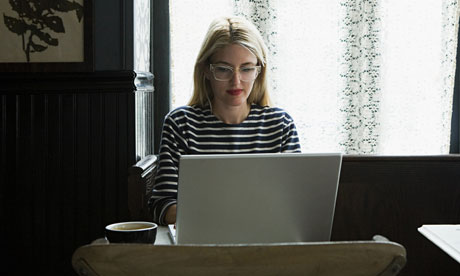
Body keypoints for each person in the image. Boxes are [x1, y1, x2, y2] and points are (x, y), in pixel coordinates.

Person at [150, 16, 301, 226]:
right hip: (203, 242)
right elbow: (163, 206)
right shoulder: (181, 124)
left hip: (265, 239)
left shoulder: (280, 125)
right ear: (206, 71)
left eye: (247, 69)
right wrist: (230, 217)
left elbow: (295, 205)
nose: (236, 81)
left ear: (259, 71)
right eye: (223, 69)